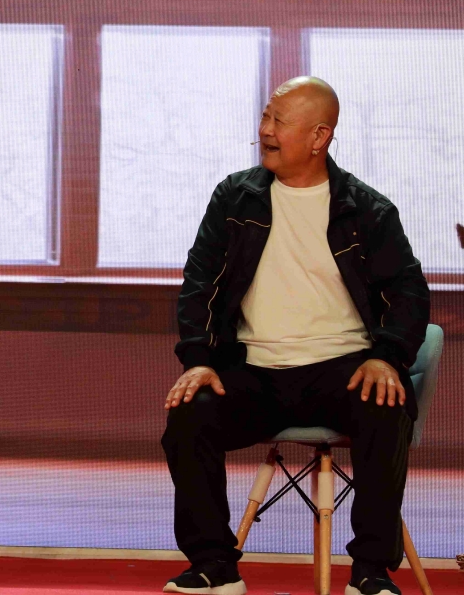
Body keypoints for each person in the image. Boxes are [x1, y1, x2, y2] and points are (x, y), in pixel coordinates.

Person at [161, 77, 429, 595]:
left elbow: (408, 293)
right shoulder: (234, 197)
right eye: (265, 117)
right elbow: (199, 285)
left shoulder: (367, 209)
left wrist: (387, 356)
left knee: (385, 406)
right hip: (252, 370)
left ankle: (371, 572)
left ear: (319, 136)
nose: (264, 130)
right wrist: (199, 360)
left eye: (278, 121)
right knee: (189, 413)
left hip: (341, 368)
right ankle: (214, 566)